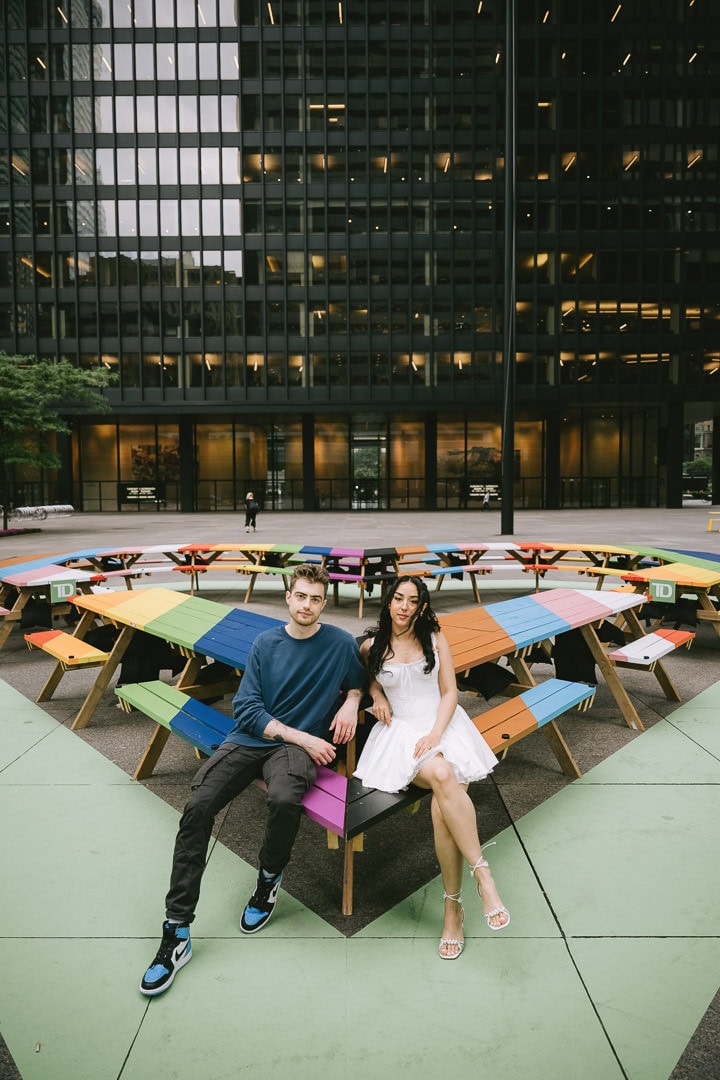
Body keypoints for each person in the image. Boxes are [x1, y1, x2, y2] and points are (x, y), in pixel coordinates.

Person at [139, 563, 366, 996]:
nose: (308, 605)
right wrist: (301, 733)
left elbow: (359, 682)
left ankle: (268, 880)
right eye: (301, 596)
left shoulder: (339, 644)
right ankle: (177, 930)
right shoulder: (266, 643)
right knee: (198, 807)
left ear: (324, 602)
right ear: (288, 596)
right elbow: (246, 709)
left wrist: (352, 702)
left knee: (283, 800)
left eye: (317, 599)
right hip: (254, 737)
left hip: (293, 752)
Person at [354, 576, 509, 960]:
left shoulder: (436, 639)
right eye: (398, 599)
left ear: (422, 607)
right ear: (388, 601)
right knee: (441, 774)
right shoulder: (370, 647)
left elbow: (450, 693)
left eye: (413, 601)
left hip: (444, 726)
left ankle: (452, 910)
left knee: (443, 811)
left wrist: (436, 735)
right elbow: (369, 681)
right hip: (401, 735)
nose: (404, 607)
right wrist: (376, 696)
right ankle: (482, 874)